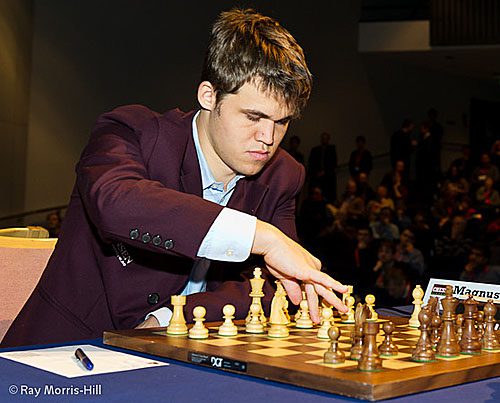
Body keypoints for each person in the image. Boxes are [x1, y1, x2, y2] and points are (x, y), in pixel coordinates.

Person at [2, 9, 347, 348]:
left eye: (282, 121)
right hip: (65, 351)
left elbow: (272, 284)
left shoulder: (283, 175)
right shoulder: (131, 133)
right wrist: (263, 237)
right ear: (209, 96)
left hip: (187, 354)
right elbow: (118, 205)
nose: (268, 138)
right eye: (253, 116)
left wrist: (171, 316)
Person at [308, 132, 338, 202]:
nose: (324, 140)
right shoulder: (315, 150)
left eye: (326, 139)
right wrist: (316, 173)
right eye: (323, 138)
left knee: (327, 196)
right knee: (315, 196)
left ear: (328, 139)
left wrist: (325, 172)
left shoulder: (332, 149)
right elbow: (311, 163)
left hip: (328, 178)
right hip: (316, 177)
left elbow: (333, 163)